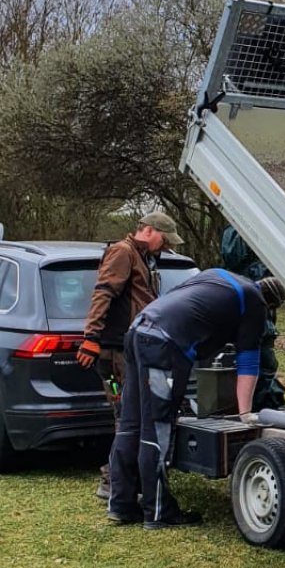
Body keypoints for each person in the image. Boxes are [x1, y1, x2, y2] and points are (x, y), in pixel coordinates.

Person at [105, 269, 285, 529]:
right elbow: (248, 363)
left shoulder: (219, 275)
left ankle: (121, 505)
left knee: (130, 423)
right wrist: (246, 414)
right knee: (157, 427)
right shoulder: (255, 302)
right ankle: (157, 511)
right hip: (164, 345)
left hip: (139, 329)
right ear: (271, 305)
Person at [76, 210, 184, 500]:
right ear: (149, 231)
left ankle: (123, 479)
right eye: (164, 240)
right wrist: (91, 338)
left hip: (131, 349)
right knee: (125, 412)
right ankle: (113, 480)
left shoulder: (144, 258)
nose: (165, 247)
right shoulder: (122, 252)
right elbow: (103, 293)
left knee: (129, 411)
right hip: (115, 353)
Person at [220, 225, 285, 412]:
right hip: (255, 315)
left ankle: (267, 404)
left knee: (264, 366)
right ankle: (267, 406)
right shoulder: (239, 232)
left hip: (261, 316)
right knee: (262, 366)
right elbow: (232, 255)